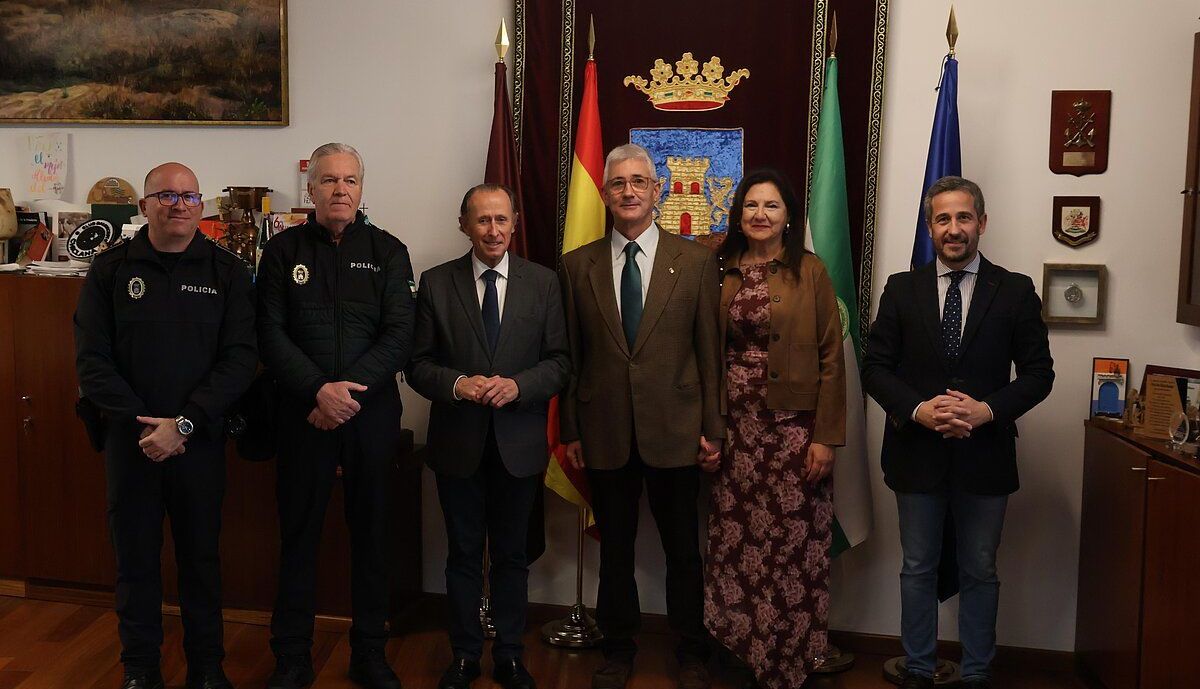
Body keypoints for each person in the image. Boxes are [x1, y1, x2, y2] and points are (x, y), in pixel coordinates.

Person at [862, 176, 1054, 689]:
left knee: (980, 570)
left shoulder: (1014, 290)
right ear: (930, 228)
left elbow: (1040, 374)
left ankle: (976, 673)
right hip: (916, 453)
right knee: (918, 567)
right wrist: (919, 409)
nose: (954, 229)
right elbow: (875, 368)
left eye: (963, 217)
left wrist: (987, 410)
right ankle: (918, 669)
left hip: (984, 456)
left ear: (982, 224)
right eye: (943, 219)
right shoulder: (901, 290)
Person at [75, 162, 258, 689]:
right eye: (165, 196)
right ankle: (140, 669)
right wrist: (146, 427)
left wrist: (183, 424)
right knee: (135, 563)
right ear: (143, 207)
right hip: (130, 444)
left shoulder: (227, 272)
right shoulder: (109, 271)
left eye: (188, 196)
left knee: (201, 560)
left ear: (202, 206)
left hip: (198, 443)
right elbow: (92, 363)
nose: (177, 204)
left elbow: (241, 360)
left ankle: (206, 668)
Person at [559, 143, 724, 689]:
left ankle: (692, 650)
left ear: (659, 191)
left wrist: (714, 429)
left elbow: (710, 353)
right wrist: (572, 431)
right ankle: (619, 647)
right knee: (616, 550)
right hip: (604, 431)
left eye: (639, 182)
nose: (628, 191)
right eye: (617, 184)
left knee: (683, 549)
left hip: (677, 433)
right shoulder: (576, 266)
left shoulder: (696, 261)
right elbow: (573, 358)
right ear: (604, 195)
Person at [257, 143, 416, 689]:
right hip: (303, 415)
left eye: (350, 180)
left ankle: (370, 653)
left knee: (372, 538)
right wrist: (316, 392)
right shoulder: (280, 252)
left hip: (369, 418)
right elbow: (270, 335)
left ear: (362, 189)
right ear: (310, 190)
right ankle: (292, 656)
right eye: (328, 181)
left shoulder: (390, 252)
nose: (340, 190)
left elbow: (399, 336)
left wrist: (345, 398)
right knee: (297, 537)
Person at [408, 183, 569, 689]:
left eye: (501, 219)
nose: (493, 230)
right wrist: (457, 384)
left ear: (515, 222)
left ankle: (511, 655)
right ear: (464, 225)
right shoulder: (436, 283)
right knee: (460, 554)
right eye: (482, 220)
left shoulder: (543, 284)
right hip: (458, 445)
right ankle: (463, 655)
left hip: (518, 448)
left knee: (512, 557)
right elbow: (416, 365)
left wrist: (519, 385)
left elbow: (561, 363)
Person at [703, 169, 846, 689]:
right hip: (735, 431)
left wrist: (826, 437)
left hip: (795, 434)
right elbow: (702, 353)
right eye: (750, 206)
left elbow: (832, 356)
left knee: (790, 547)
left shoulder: (811, 271)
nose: (760, 215)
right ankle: (740, 656)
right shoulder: (717, 269)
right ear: (738, 214)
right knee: (735, 546)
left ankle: (788, 661)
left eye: (772, 206)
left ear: (789, 218)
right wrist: (709, 428)